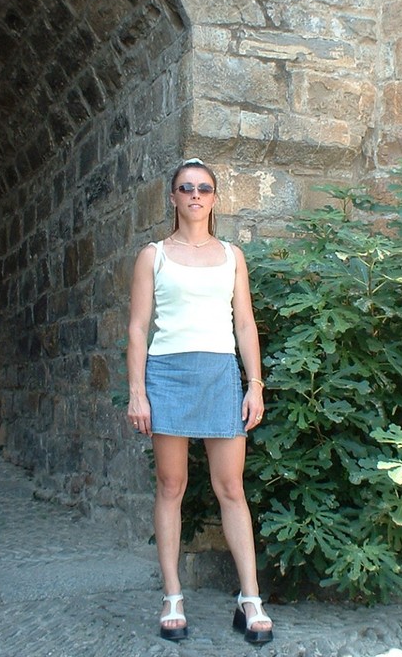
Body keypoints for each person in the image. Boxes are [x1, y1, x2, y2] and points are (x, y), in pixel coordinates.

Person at [127, 157, 273, 644]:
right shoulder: (153, 255)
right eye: (186, 187)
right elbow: (137, 328)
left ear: (213, 198)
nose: (195, 195)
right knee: (171, 485)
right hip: (167, 374)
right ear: (173, 197)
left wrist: (255, 384)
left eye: (204, 188)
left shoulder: (232, 256)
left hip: (219, 375)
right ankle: (172, 596)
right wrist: (137, 392)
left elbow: (245, 324)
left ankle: (249, 599)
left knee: (231, 487)